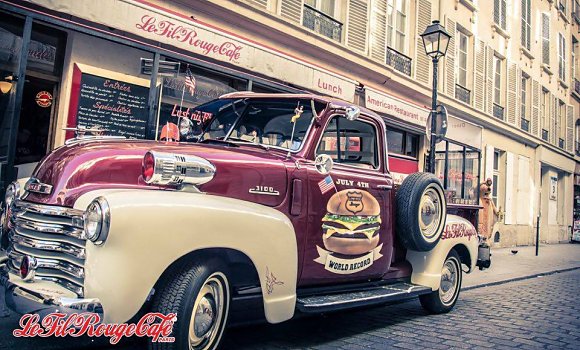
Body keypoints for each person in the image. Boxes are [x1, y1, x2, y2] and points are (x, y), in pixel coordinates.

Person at [478, 178, 503, 243]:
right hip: (481, 222)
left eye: (488, 193)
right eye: (485, 193)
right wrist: (482, 183)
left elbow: (495, 209)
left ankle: (486, 244)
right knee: (481, 232)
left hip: (487, 222)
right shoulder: (479, 201)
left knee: (487, 232)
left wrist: (498, 213)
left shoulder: (489, 200)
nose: (487, 195)